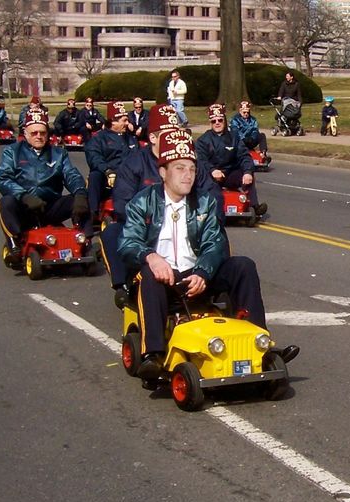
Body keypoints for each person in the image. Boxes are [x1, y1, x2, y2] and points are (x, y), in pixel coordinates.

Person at [118, 129, 298, 382]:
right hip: (162, 278)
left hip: (196, 275)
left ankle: (260, 342)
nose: (187, 175)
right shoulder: (142, 202)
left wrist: (203, 271)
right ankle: (153, 354)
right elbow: (127, 243)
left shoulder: (205, 202)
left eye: (191, 169)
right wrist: (150, 256)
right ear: (163, 172)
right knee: (149, 273)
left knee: (242, 266)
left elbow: (215, 243)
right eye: (179, 168)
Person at [101, 103, 181, 306]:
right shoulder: (133, 163)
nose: (174, 140)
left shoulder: (189, 160)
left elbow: (211, 194)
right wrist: (149, 220)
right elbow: (122, 203)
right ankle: (124, 286)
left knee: (217, 233)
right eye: (167, 135)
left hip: (183, 224)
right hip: (145, 227)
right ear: (153, 138)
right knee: (112, 232)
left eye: (176, 133)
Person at [0, 109, 91, 265]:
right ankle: (14, 244)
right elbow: (4, 179)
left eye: (42, 132)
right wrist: (24, 196)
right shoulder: (12, 152)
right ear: (25, 133)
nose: (38, 136)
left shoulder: (59, 154)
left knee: (81, 198)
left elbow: (71, 175)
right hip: (25, 206)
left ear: (47, 134)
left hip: (50, 205)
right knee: (5, 203)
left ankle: (84, 240)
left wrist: (80, 193)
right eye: (34, 133)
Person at [195, 103, 267, 219]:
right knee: (205, 184)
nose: (217, 123)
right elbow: (201, 160)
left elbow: (244, 156)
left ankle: (254, 205)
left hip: (230, 173)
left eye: (220, 120)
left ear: (224, 120)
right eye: (214, 121)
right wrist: (212, 170)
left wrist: (248, 171)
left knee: (248, 175)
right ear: (210, 123)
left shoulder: (234, 137)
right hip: (212, 176)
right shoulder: (203, 141)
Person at [85, 101, 136, 215]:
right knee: (94, 176)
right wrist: (107, 170)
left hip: (128, 176)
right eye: (124, 121)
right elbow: (94, 157)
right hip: (107, 175)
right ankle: (92, 213)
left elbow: (138, 157)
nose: (128, 123)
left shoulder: (131, 139)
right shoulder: (98, 139)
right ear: (113, 122)